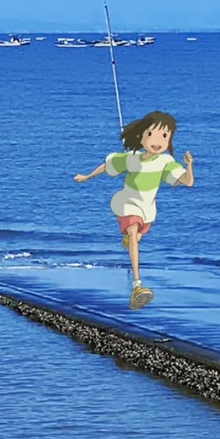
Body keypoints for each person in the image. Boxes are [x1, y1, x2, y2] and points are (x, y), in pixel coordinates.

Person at [74, 110, 194, 309]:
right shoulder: (132, 158)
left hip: (148, 209)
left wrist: (189, 165)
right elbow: (107, 165)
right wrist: (86, 177)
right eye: (151, 135)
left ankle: (131, 239)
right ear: (141, 136)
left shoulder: (166, 162)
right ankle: (137, 286)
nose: (157, 141)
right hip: (128, 202)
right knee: (133, 229)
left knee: (135, 237)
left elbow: (188, 182)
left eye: (164, 136)